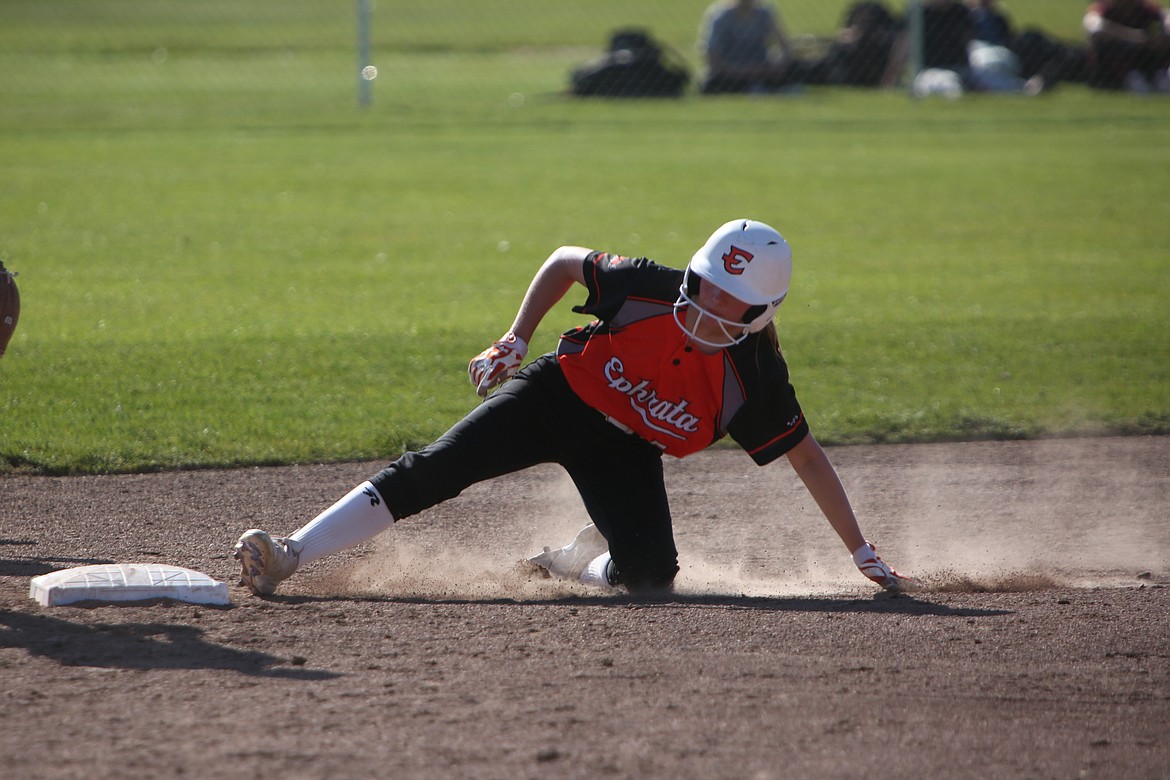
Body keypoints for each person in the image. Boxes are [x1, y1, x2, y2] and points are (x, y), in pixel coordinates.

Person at [234, 219, 914, 598]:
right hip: (557, 395)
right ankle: (293, 551)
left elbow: (805, 454)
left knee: (650, 577)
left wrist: (859, 549)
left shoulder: (755, 375)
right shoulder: (653, 288)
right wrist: (514, 338)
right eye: (704, 284)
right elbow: (564, 260)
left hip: (624, 449)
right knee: (438, 467)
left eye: (727, 298)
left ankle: (571, 561)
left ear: (764, 312)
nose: (705, 302)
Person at [697, 0, 806, 93]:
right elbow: (712, 56)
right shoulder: (720, 17)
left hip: (761, 67)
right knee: (712, 83)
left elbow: (784, 44)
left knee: (796, 68)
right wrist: (740, 71)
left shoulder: (764, 14)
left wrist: (779, 65)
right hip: (732, 70)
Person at [805, 1, 906, 88]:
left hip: (864, 65)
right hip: (844, 62)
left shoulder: (881, 13)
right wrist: (849, 35)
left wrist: (862, 35)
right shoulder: (857, 9)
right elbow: (843, 33)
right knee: (816, 68)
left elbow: (894, 34)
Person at [1083, 0, 1170, 91]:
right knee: (1106, 44)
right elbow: (1094, 27)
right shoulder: (1104, 8)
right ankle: (1130, 78)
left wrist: (1161, 37)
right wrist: (1134, 37)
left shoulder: (1144, 8)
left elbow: (1166, 17)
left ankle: (1160, 74)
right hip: (1115, 59)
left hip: (1142, 52)